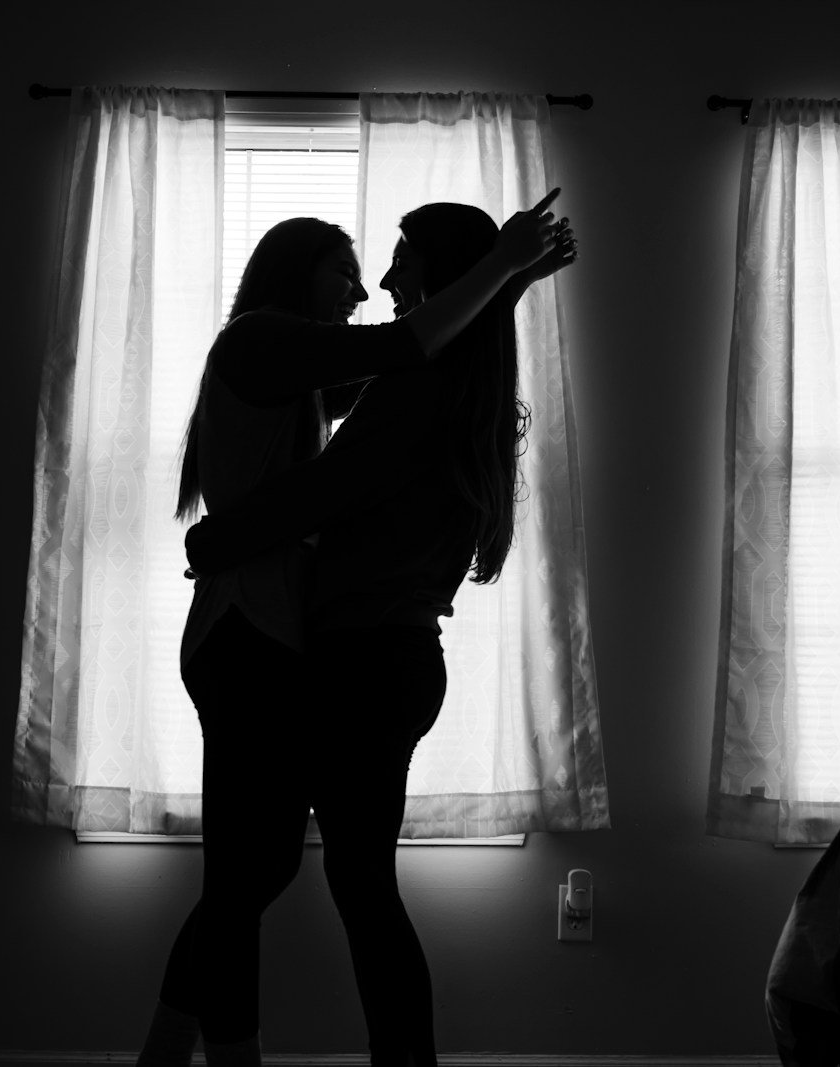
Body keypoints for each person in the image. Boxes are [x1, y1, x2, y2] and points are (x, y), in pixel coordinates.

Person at [137, 192, 571, 1067]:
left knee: (289, 875)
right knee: (268, 872)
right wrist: (508, 276)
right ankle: (212, 1048)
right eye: (346, 269)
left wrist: (508, 276)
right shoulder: (265, 342)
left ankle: (207, 1048)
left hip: (352, 654)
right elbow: (417, 351)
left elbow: (388, 399)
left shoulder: (408, 382)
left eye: (395, 258)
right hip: (289, 639)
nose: (371, 283)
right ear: (294, 271)